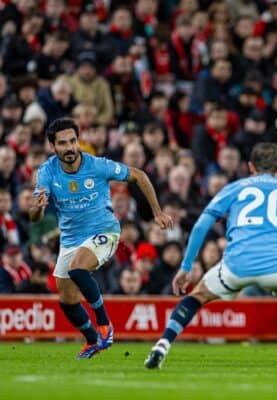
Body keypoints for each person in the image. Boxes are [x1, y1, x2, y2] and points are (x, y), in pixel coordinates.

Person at [145, 143, 277, 371]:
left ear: (250, 166)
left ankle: (162, 345)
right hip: (276, 268)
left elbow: (200, 226)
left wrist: (186, 267)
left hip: (234, 267)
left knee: (197, 295)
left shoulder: (235, 188)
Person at [30, 117, 173, 359]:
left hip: (104, 231)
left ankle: (105, 325)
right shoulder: (47, 171)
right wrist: (38, 207)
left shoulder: (97, 166)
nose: (70, 148)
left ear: (79, 141)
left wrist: (157, 212)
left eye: (73, 141)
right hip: (71, 239)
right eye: (63, 143)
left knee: (77, 269)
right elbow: (34, 216)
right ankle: (92, 341)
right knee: (66, 298)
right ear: (53, 147)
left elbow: (138, 175)